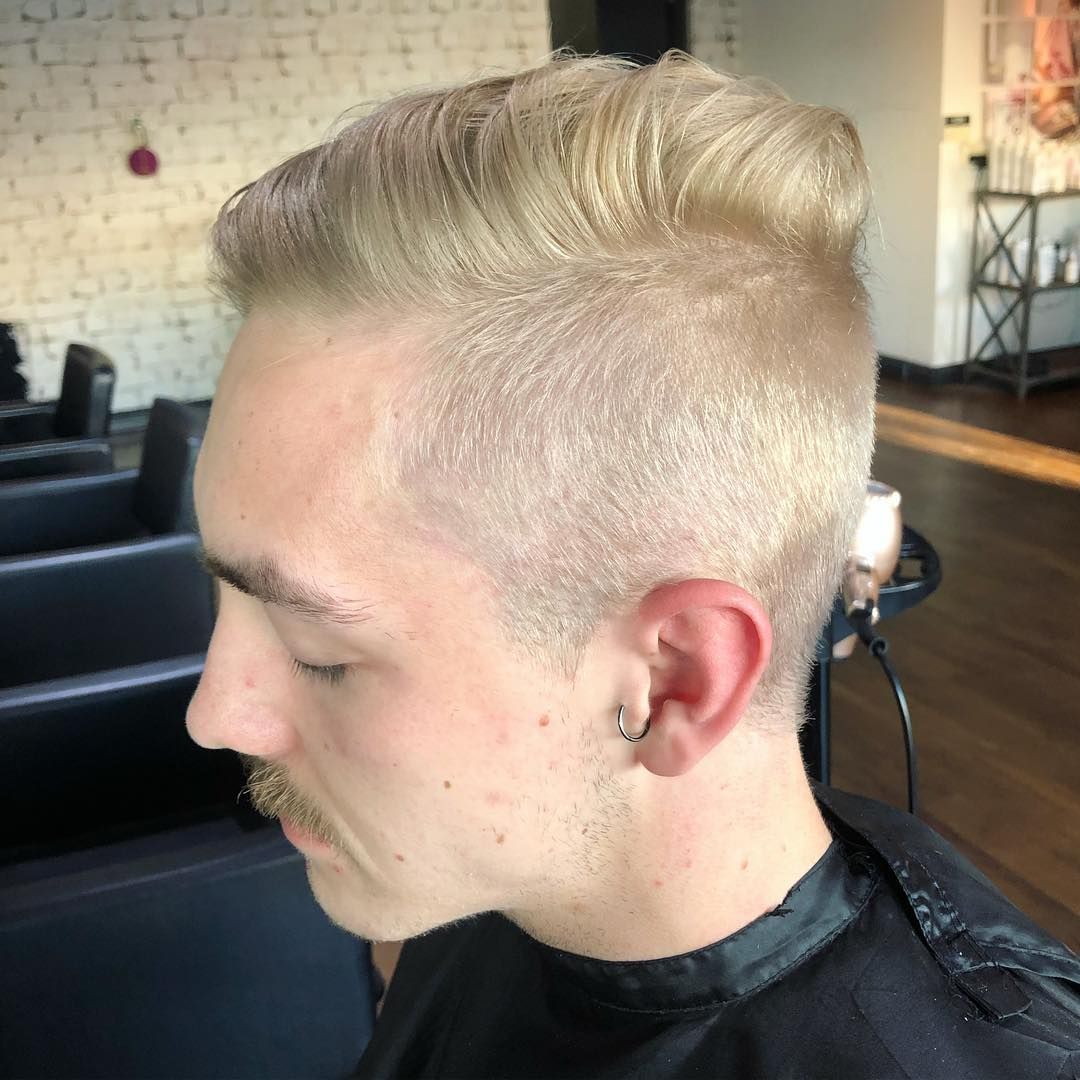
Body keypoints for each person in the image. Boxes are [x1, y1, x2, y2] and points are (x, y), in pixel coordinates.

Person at [185, 51, 1080, 1079]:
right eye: (222, 600)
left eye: (314, 648)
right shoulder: (468, 889)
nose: (215, 713)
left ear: (674, 682)